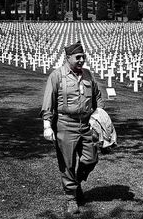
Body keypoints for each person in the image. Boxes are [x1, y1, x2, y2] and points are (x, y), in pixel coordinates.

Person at [40, 41, 104, 214]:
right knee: (67, 163)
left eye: (83, 56)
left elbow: (98, 96)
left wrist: (99, 117)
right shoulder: (57, 76)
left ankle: (76, 183)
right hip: (65, 124)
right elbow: (48, 101)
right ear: (68, 58)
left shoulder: (88, 75)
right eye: (78, 57)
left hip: (86, 124)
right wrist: (47, 125)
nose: (82, 60)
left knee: (91, 158)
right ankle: (71, 198)